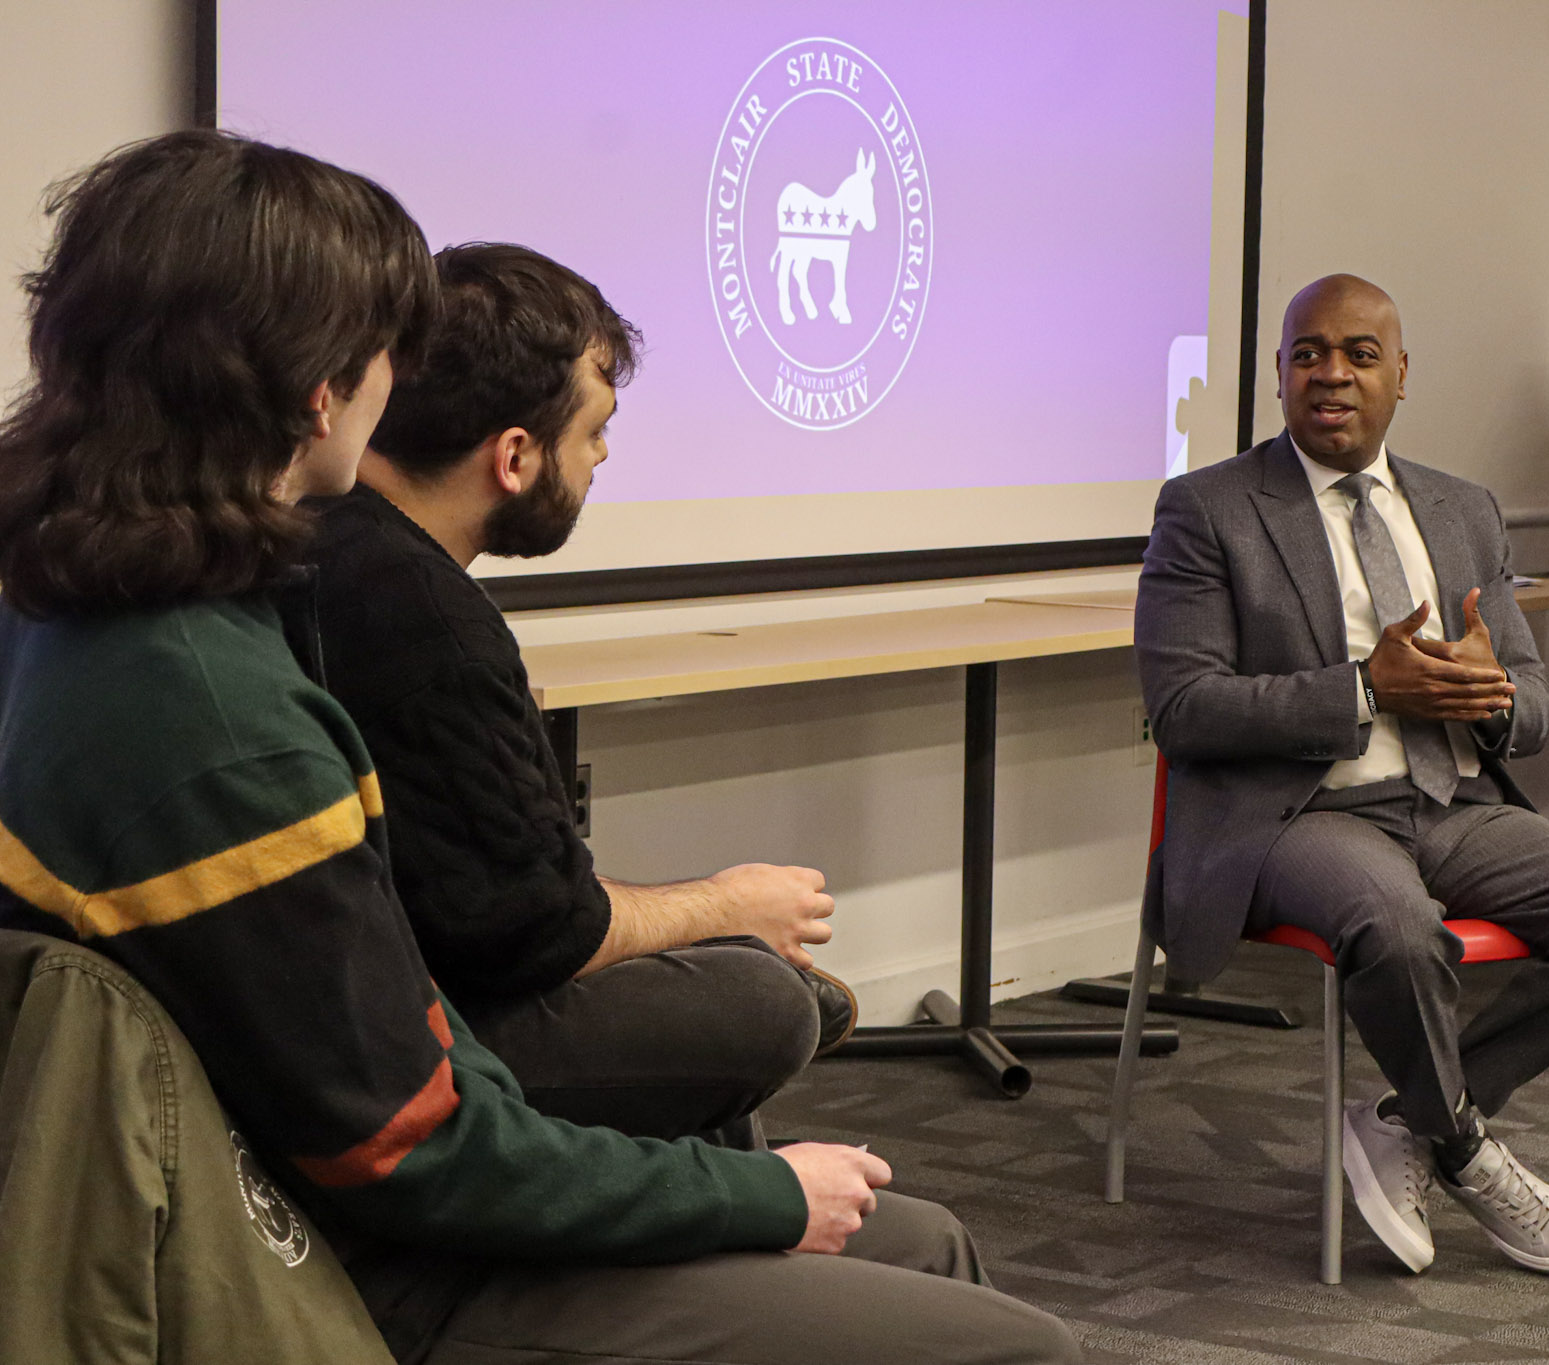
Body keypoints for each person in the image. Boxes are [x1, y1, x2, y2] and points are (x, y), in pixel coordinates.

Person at [0, 130, 1077, 1365]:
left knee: (917, 1239)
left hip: (295, 1186)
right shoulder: (222, 727)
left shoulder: (72, 609)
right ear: (318, 392)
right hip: (351, 1269)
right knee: (1016, 1342)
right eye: (384, 351)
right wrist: (754, 1194)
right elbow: (418, 1150)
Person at [1134, 273, 1549, 1279]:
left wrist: (1490, 695)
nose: (1330, 374)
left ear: (1400, 375)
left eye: (1358, 354)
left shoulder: (1462, 509)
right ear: (1280, 373)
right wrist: (1362, 689)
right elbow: (1184, 708)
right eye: (1307, 354)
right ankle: (1467, 1148)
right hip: (1301, 809)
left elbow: (1535, 703)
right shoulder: (1209, 508)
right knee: (1395, 926)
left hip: (1452, 801)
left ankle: (1409, 1118)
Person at [304, 242, 849, 1148]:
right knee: (766, 1000)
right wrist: (725, 905)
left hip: (382, 989)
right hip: (409, 1039)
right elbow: (531, 933)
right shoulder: (427, 622)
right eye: (593, 430)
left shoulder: (335, 541)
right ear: (515, 455)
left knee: (720, 974)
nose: (602, 455)